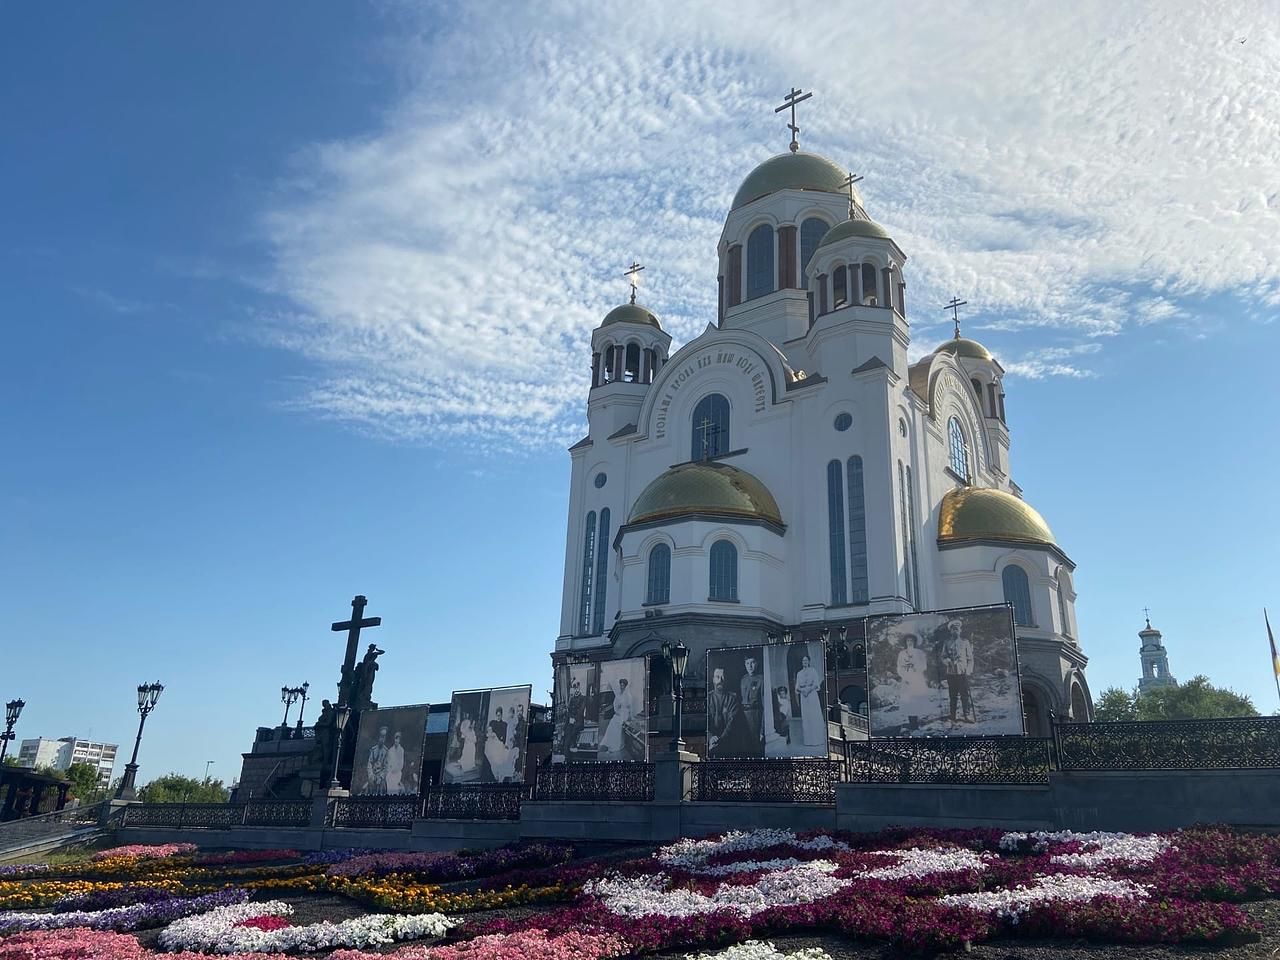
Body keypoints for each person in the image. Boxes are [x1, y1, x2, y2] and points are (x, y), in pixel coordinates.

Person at [707, 666, 749, 757]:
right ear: (713, 679)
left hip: (728, 743)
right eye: (717, 677)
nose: (720, 680)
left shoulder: (732, 698)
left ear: (726, 679)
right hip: (710, 743)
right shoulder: (708, 698)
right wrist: (710, 738)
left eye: (722, 677)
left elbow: (732, 722)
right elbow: (705, 722)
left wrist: (720, 740)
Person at [942, 619, 976, 723]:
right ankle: (953, 715)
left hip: (963, 673)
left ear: (960, 630)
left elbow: (970, 658)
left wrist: (969, 670)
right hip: (951, 673)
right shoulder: (947, 643)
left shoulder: (965, 643)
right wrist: (947, 661)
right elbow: (943, 656)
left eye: (957, 629)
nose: (955, 631)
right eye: (953, 629)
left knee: (964, 695)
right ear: (950, 631)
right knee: (952, 695)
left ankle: (967, 714)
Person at [895, 634, 931, 728]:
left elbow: (924, 666)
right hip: (907, 678)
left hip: (916, 678)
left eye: (911, 640)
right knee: (908, 700)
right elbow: (899, 667)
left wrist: (915, 666)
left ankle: (917, 721)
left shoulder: (919, 653)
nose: (910, 642)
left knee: (916, 700)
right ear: (905, 642)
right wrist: (904, 676)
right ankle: (911, 722)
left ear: (915, 642)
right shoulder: (902, 653)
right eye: (908, 641)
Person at [794, 653, 825, 747]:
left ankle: (817, 740)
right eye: (803, 661)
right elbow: (797, 687)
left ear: (809, 661)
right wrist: (803, 691)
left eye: (806, 660)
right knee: (806, 717)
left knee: (813, 716)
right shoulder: (799, 673)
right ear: (801, 662)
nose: (805, 662)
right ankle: (808, 741)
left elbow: (816, 684)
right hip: (804, 696)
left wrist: (808, 690)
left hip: (812, 695)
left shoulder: (813, 671)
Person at [600, 676, 634, 757]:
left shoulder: (628, 695)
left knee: (615, 725)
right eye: (621, 685)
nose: (621, 687)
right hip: (618, 713)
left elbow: (628, 707)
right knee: (611, 724)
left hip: (624, 714)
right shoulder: (619, 694)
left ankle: (614, 747)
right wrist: (617, 707)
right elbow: (615, 704)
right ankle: (609, 745)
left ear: (625, 686)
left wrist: (623, 710)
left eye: (623, 685)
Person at [740, 656, 765, 750]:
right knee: (744, 744)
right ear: (745, 665)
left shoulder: (761, 679)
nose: (750, 666)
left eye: (752, 662)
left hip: (755, 714)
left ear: (757, 663)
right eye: (747, 663)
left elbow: (764, 704)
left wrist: (762, 729)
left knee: (755, 743)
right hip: (743, 714)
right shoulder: (743, 679)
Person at [484, 706, 515, 782]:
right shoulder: (492, 723)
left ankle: (500, 774)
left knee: (503, 755)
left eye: (500, 715)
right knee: (491, 755)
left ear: (501, 715)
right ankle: (494, 774)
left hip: (499, 743)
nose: (498, 717)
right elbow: (488, 733)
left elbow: (504, 736)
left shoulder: (504, 724)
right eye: (497, 715)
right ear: (495, 715)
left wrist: (503, 743)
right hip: (491, 743)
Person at [364, 726, 389, 795]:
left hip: (380, 777)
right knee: (366, 789)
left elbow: (386, 767)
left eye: (384, 737)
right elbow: (369, 764)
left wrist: (381, 777)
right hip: (373, 775)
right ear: (378, 737)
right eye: (381, 737)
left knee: (382, 787)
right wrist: (371, 775)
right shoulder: (373, 750)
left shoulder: (386, 751)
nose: (382, 739)